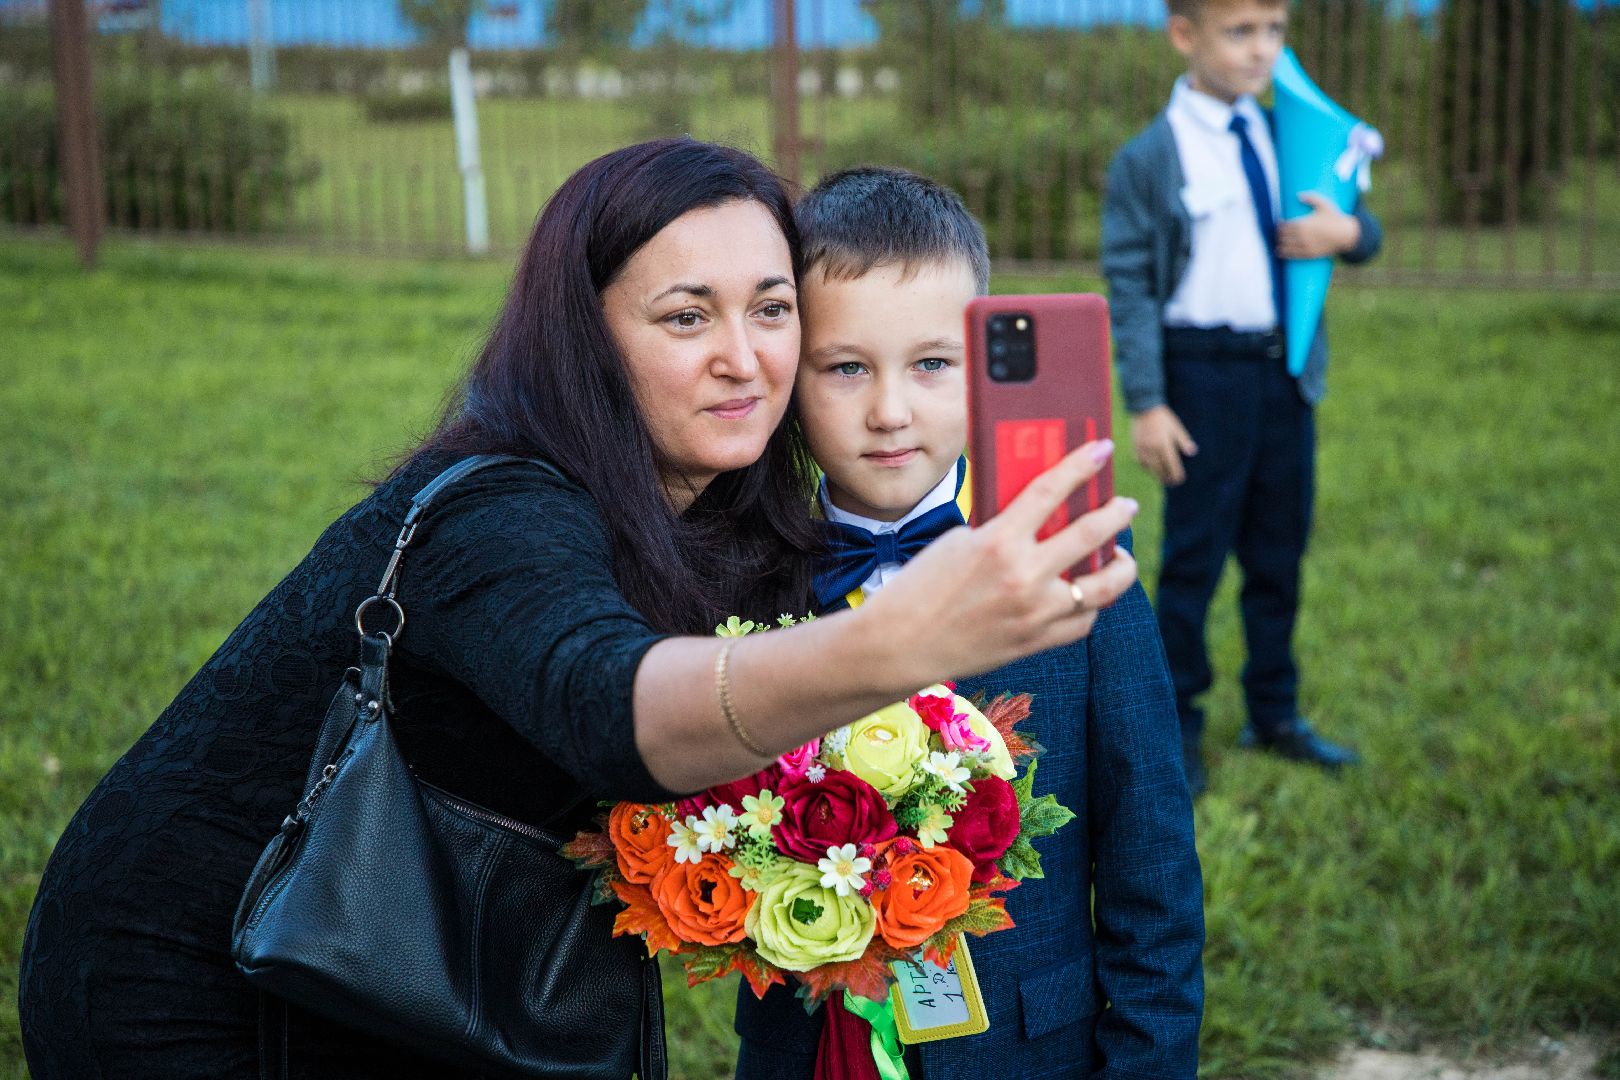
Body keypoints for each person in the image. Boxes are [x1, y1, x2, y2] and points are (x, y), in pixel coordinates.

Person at [17, 139, 1138, 1079]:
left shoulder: (731, 516)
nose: (743, 359)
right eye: (686, 317)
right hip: (201, 970)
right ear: (583, 332)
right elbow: (612, 704)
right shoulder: (502, 507)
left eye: (773, 309)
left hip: (418, 954)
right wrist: (895, 643)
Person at [732, 166, 1204, 1080]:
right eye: (846, 368)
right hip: (806, 1054)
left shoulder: (1078, 575)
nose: (890, 411)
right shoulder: (749, 586)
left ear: (983, 368)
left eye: (932, 364)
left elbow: (1154, 877)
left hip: (1031, 1052)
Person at [1102, 0, 1384, 797]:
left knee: (1278, 549)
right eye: (1239, 32)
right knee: (1193, 557)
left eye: (1274, 30)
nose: (1262, 50)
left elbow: (1362, 224)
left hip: (1281, 374)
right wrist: (1149, 402)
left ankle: (1275, 710)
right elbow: (1130, 288)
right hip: (1201, 374)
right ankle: (1178, 718)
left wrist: (1349, 237)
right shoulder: (1151, 158)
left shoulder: (1287, 130)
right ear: (1184, 34)